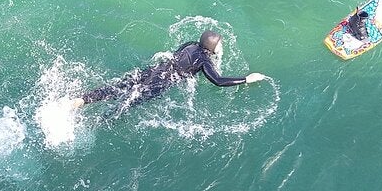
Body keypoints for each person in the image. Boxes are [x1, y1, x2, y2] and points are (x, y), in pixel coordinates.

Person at [72, 30, 265, 110]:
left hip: (155, 70)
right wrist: (247, 79)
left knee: (120, 87)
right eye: (220, 45)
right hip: (163, 82)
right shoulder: (204, 61)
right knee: (128, 103)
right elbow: (218, 81)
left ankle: (81, 100)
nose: (222, 48)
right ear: (212, 47)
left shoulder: (190, 45)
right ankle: (97, 122)